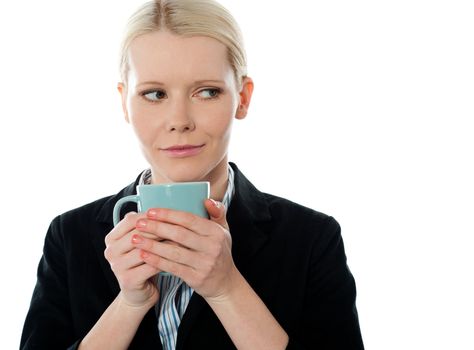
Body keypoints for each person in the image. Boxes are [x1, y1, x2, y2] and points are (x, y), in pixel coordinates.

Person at [20, 0, 364, 349]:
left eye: (207, 92)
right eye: (154, 94)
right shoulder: (69, 237)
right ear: (124, 102)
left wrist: (227, 290)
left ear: (242, 98)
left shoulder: (312, 239)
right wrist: (129, 304)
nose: (179, 120)